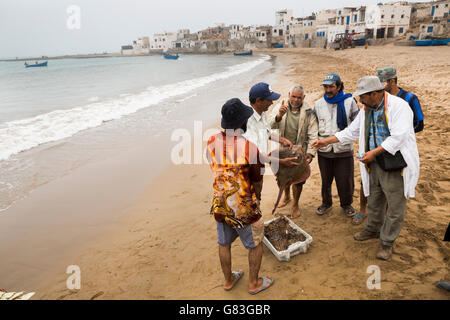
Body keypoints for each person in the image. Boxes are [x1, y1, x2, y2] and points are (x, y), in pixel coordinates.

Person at [312, 76, 420, 260]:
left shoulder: (399, 106)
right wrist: (326, 141)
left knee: (395, 206)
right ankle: (372, 229)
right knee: (374, 199)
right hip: (373, 163)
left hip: (395, 163)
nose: (360, 100)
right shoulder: (366, 109)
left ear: (376, 93)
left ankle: (387, 243)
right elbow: (351, 131)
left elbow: (398, 138)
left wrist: (374, 153)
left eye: (363, 96)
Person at [206, 98, 298, 295]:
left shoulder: (212, 141)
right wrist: (257, 198)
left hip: (220, 202)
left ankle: (229, 280)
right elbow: (257, 178)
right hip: (243, 206)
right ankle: (254, 283)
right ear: (241, 123)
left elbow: (223, 163)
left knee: (223, 243)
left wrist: (280, 160)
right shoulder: (248, 146)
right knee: (255, 244)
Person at [314, 73, 359, 217]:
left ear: (339, 87)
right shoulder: (318, 104)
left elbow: (358, 125)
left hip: (344, 149)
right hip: (324, 151)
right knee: (325, 180)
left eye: (331, 87)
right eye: (325, 87)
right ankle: (326, 203)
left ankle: (346, 204)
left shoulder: (350, 102)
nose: (328, 90)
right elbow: (314, 127)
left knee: (345, 180)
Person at [269, 85, 318, 218]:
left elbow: (313, 133)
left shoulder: (309, 112)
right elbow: (269, 127)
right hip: (283, 149)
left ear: (304, 97)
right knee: (283, 176)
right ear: (289, 94)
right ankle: (286, 197)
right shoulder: (280, 107)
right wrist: (279, 115)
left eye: (299, 97)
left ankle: (295, 204)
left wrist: (311, 152)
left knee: (298, 180)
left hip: (300, 151)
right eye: (293, 96)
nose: (296, 100)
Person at [243, 82, 294, 201]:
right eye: (269, 100)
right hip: (248, 169)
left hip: (259, 166)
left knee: (257, 196)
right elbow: (255, 155)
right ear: (258, 101)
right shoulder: (248, 122)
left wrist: (282, 140)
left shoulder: (263, 112)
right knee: (250, 200)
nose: (272, 103)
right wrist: (282, 161)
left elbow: (266, 132)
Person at [377, 66, 424, 133]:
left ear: (392, 81)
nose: (380, 86)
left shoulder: (410, 98)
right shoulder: (380, 99)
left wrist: (398, 134)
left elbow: (419, 125)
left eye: (382, 83)